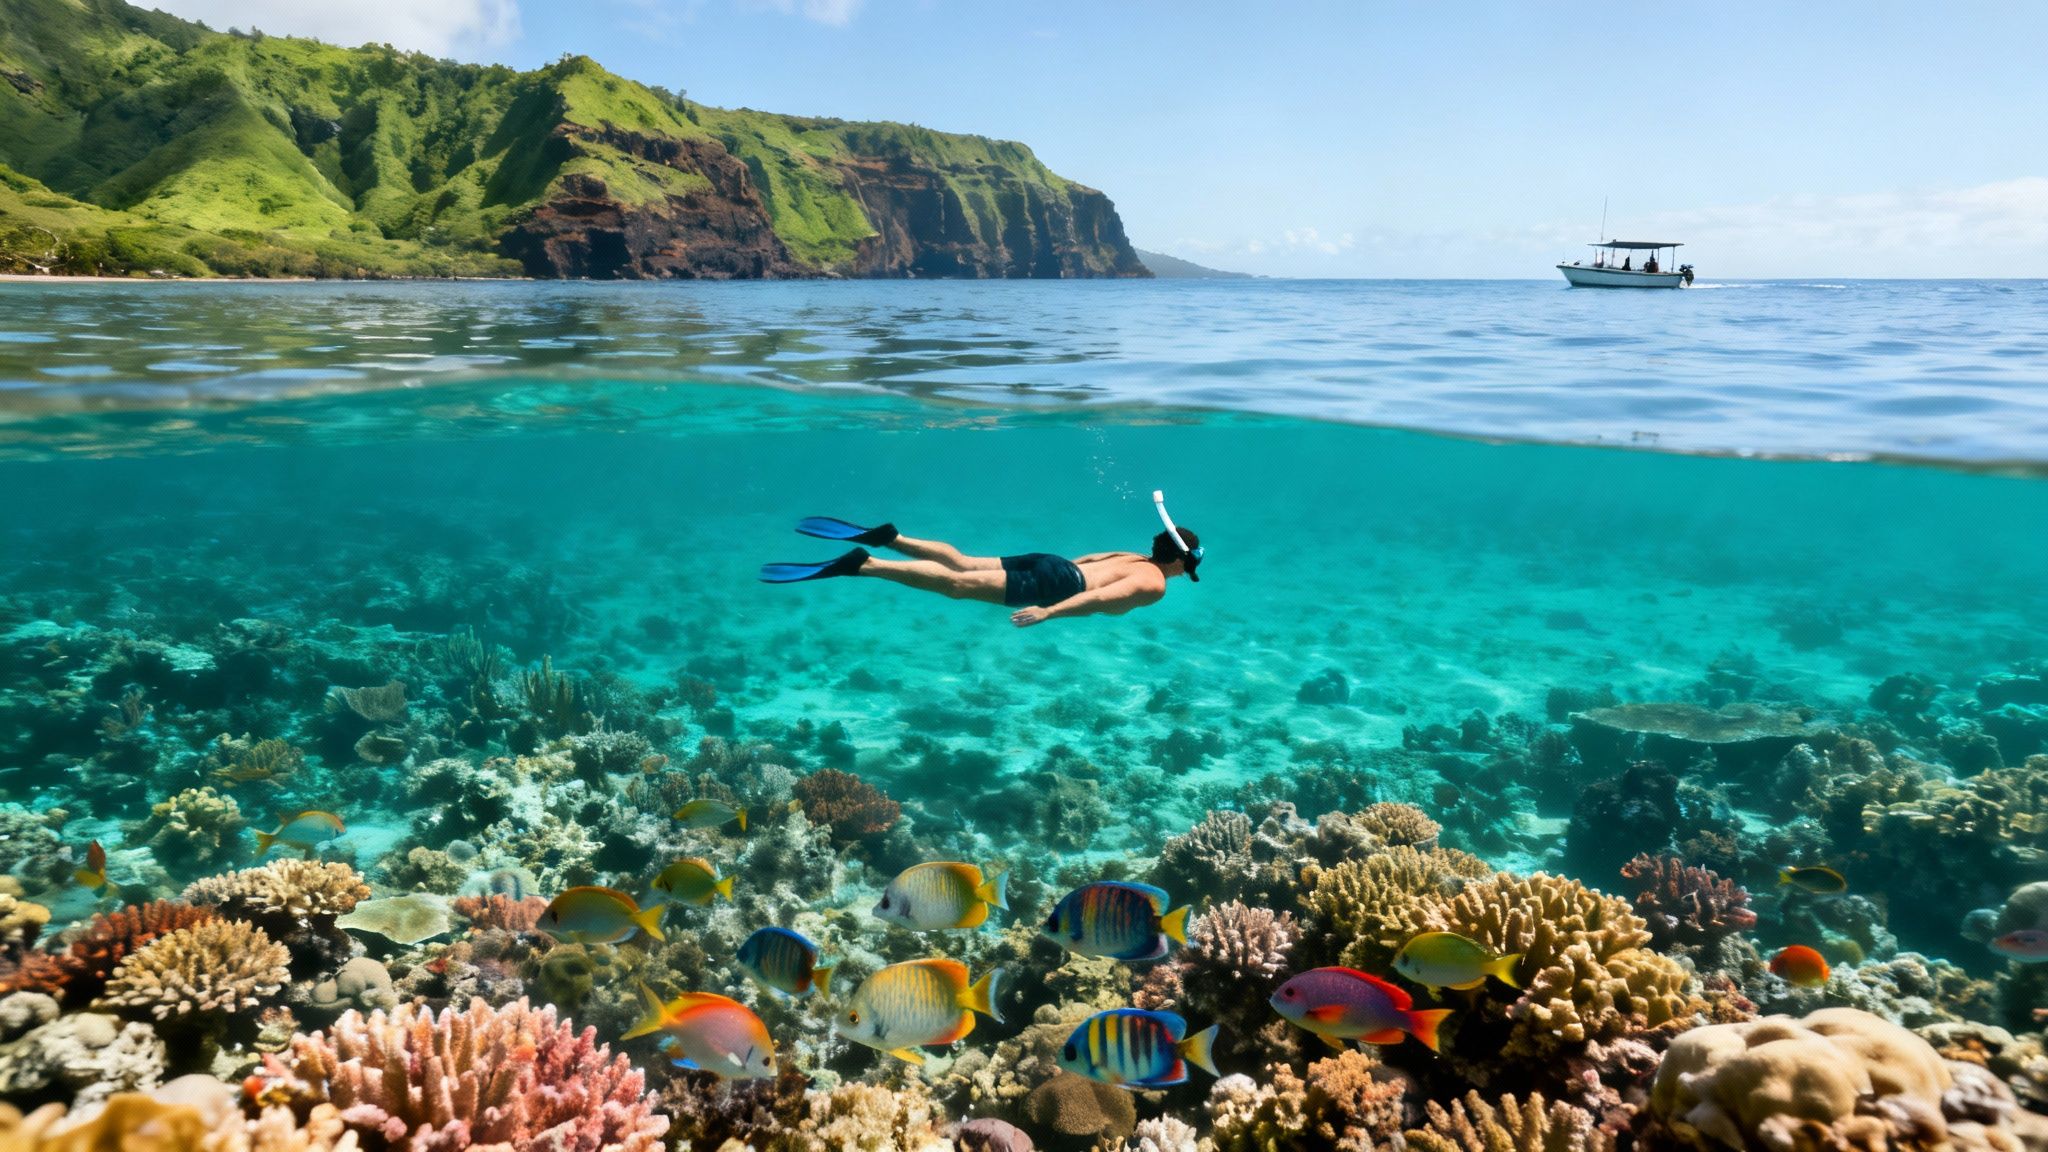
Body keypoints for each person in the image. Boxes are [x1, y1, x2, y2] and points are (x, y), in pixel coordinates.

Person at [760, 517, 1201, 627]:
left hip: (1053, 563)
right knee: (958, 586)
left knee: (965, 561)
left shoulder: (1132, 556)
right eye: (1189, 566)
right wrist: (1049, 612)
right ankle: (868, 564)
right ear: (1179, 560)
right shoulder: (1153, 582)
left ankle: (891, 538)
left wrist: (1056, 576)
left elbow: (1086, 560)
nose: (1186, 573)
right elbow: (1101, 598)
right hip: (1058, 584)